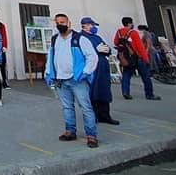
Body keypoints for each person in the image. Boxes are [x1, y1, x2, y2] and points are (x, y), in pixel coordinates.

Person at [46, 13, 100, 148]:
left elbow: (92, 57)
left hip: (77, 80)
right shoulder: (55, 39)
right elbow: (51, 56)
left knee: (86, 107)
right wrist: (49, 73)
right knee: (67, 107)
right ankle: (70, 131)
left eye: (62, 22)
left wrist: (85, 72)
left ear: (69, 23)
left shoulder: (80, 39)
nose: (60, 25)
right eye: (57, 23)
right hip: (60, 80)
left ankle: (91, 135)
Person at [79, 17, 119, 125]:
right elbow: (82, 53)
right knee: (93, 92)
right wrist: (95, 51)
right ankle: (94, 116)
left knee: (104, 91)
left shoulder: (97, 37)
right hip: (92, 69)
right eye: (91, 25)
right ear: (85, 25)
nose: (93, 27)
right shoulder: (81, 38)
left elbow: (106, 48)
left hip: (102, 67)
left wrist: (108, 50)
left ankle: (105, 115)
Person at [113, 17, 160, 101]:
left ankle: (125, 92)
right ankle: (149, 94)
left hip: (126, 58)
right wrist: (146, 59)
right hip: (137, 57)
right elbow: (140, 47)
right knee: (146, 76)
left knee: (126, 75)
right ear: (129, 24)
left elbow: (116, 42)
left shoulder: (119, 32)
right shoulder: (133, 32)